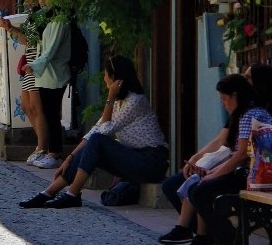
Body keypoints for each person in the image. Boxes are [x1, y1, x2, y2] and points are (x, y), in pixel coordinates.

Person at [19, 55, 169, 209]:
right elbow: (95, 130)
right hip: (136, 157)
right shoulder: (118, 101)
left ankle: (72, 194)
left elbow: (104, 131)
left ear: (115, 79)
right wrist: (70, 158)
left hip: (152, 161)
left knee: (97, 141)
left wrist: (110, 97)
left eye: (106, 74)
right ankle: (48, 192)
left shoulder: (135, 101)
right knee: (91, 144)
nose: (104, 78)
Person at [158, 74, 272, 244]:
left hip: (253, 176)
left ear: (235, 96)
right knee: (198, 186)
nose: (223, 104)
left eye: (224, 99)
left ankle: (226, 236)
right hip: (252, 173)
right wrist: (212, 172)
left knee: (200, 190)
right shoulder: (251, 112)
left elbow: (241, 155)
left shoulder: (249, 115)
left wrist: (213, 175)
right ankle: (203, 236)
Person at [21, 0, 71, 169]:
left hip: (55, 74)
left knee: (52, 114)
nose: (41, 2)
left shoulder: (60, 20)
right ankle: (48, 150)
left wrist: (33, 65)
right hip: (43, 74)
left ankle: (55, 153)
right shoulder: (46, 17)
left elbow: (51, 51)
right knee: (49, 114)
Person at [0, 0, 49, 166]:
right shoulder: (32, 16)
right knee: (27, 106)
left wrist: (11, 29)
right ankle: (41, 144)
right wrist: (11, 29)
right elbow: (26, 38)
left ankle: (42, 147)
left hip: (37, 62)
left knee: (36, 107)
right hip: (30, 61)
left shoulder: (41, 16)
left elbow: (29, 39)